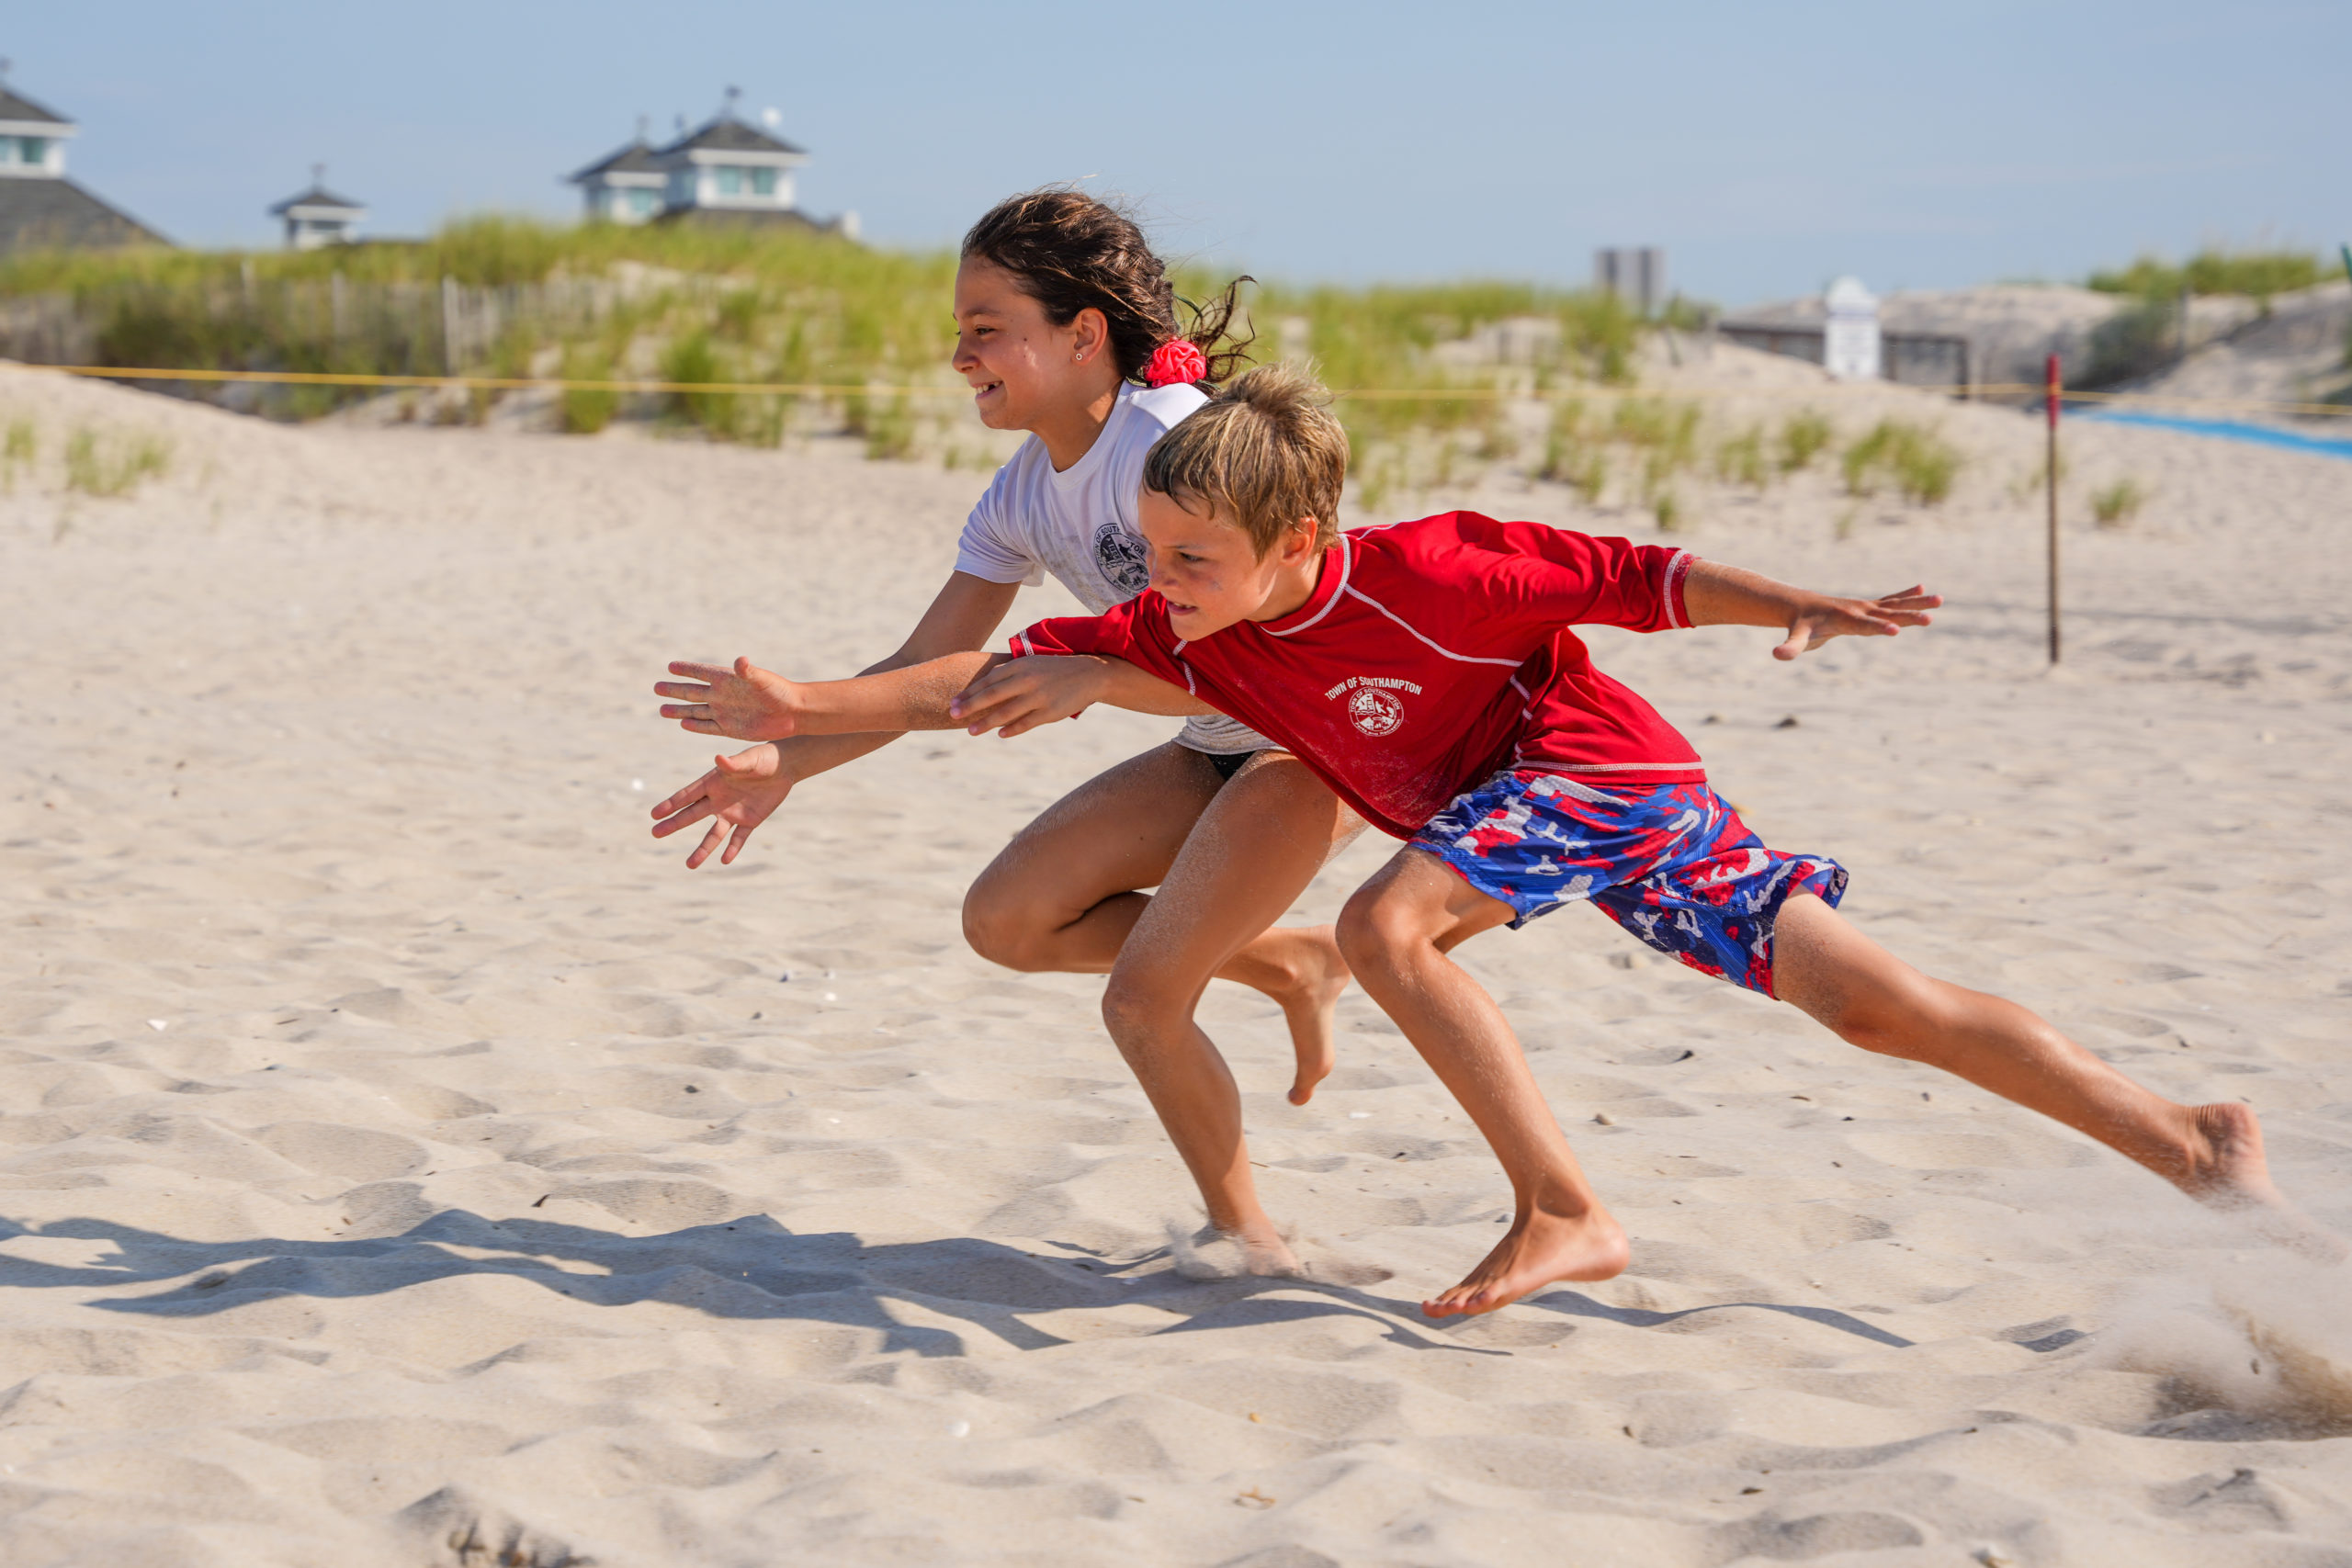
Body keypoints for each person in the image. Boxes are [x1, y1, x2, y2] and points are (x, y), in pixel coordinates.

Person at [686, 365, 2325, 1314]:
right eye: (1156, 553)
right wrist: (810, 703)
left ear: (1298, 540)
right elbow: (990, 668)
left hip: (1599, 770)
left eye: (1193, 553)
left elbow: (1642, 577)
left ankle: (1564, 1208)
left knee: (1391, 930)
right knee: (1875, 1005)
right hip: (1545, 819)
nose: (1158, 578)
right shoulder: (1197, 640)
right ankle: (2191, 1139)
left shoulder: (1441, 565)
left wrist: (1804, 602)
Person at [650, 191, 1359, 1111]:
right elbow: (920, 668)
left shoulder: (1180, 443)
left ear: (1081, 336)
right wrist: (787, 760)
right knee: (1008, 922)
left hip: (1317, 740)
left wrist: (802, 704)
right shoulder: (1019, 497)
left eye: (986, 329)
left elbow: (1265, 651)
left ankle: (1247, 1242)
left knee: (1144, 998)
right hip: (1212, 742)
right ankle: (1294, 964)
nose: (959, 357)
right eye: (958, 330)